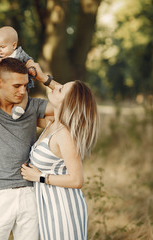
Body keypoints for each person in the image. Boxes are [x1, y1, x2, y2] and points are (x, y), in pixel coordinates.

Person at [0, 57, 58, 239]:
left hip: (31, 193)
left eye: (25, 85)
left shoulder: (32, 106)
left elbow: (75, 105)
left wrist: (45, 79)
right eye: (16, 86)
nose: (22, 91)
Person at [20, 80, 99, 239]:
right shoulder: (52, 123)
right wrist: (43, 77)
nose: (55, 88)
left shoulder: (65, 135)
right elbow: (22, 116)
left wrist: (39, 177)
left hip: (64, 209)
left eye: (61, 89)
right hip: (47, 208)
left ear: (68, 102)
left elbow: (77, 180)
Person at [0, 26, 37, 120]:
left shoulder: (19, 54)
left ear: (14, 45)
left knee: (24, 94)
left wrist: (31, 68)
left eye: (2, 47)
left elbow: (29, 60)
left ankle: (19, 108)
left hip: (19, 84)